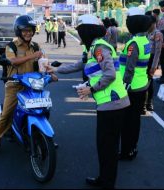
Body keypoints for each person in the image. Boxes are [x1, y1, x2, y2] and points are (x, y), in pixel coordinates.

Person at [47, 14, 130, 189]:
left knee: (107, 147)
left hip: (112, 104)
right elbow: (78, 65)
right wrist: (54, 69)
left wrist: (90, 89)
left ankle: (107, 183)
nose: (78, 34)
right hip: (109, 103)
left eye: (80, 31)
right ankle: (104, 178)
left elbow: (110, 74)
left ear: (86, 31)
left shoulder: (100, 48)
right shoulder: (93, 49)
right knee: (104, 146)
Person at [0, 15, 56, 158]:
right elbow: (13, 61)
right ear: (19, 31)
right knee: (6, 113)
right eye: (25, 30)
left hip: (33, 85)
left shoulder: (36, 47)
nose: (28, 33)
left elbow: (42, 63)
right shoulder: (11, 46)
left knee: (42, 109)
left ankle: (43, 135)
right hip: (14, 85)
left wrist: (50, 73)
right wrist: (33, 56)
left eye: (30, 30)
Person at [119, 7, 152, 160]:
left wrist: (123, 87)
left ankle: (127, 151)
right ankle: (133, 148)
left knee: (127, 122)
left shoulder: (133, 43)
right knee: (135, 121)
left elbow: (130, 68)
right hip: (142, 85)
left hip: (131, 88)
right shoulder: (146, 40)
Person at [142, 15, 163, 114]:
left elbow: (158, 51)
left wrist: (154, 66)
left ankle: (148, 104)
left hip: (152, 60)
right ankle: (144, 104)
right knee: (143, 82)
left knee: (148, 82)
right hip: (144, 59)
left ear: (153, 23)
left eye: (148, 24)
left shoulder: (157, 34)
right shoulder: (146, 33)